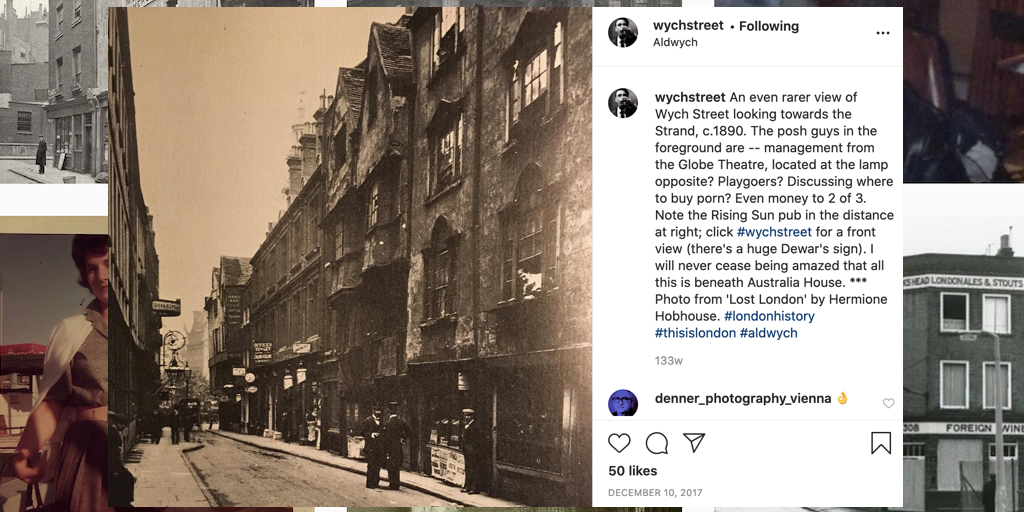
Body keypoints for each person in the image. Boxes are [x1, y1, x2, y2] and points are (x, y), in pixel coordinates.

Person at [11, 234, 113, 511]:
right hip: (92, 447)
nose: (101, 275)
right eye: (91, 268)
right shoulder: (72, 330)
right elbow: (51, 402)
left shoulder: (152, 332)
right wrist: (25, 452)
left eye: (108, 263)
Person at [381, 402, 411, 490]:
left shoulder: (388, 423)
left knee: (390, 466)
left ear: (389, 412)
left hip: (389, 448)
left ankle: (392, 483)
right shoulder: (401, 422)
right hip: (398, 447)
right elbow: (409, 431)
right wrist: (402, 438)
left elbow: (385, 438)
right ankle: (396, 484)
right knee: (396, 466)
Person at [461, 408, 487, 495]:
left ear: (471, 416)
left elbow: (477, 439)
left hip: (473, 451)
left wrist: (473, 448)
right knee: (468, 468)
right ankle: (467, 486)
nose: (466, 417)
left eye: (468, 415)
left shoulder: (475, 426)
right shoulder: (465, 425)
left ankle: (475, 487)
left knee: (474, 468)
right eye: (465, 415)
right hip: (467, 450)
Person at [360, 405, 384, 489]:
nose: (379, 413)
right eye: (377, 411)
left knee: (377, 465)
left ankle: (376, 482)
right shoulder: (367, 421)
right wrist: (371, 434)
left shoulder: (381, 421)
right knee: (371, 465)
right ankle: (370, 483)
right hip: (370, 446)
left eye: (379, 411)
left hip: (379, 447)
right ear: (373, 411)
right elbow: (362, 432)